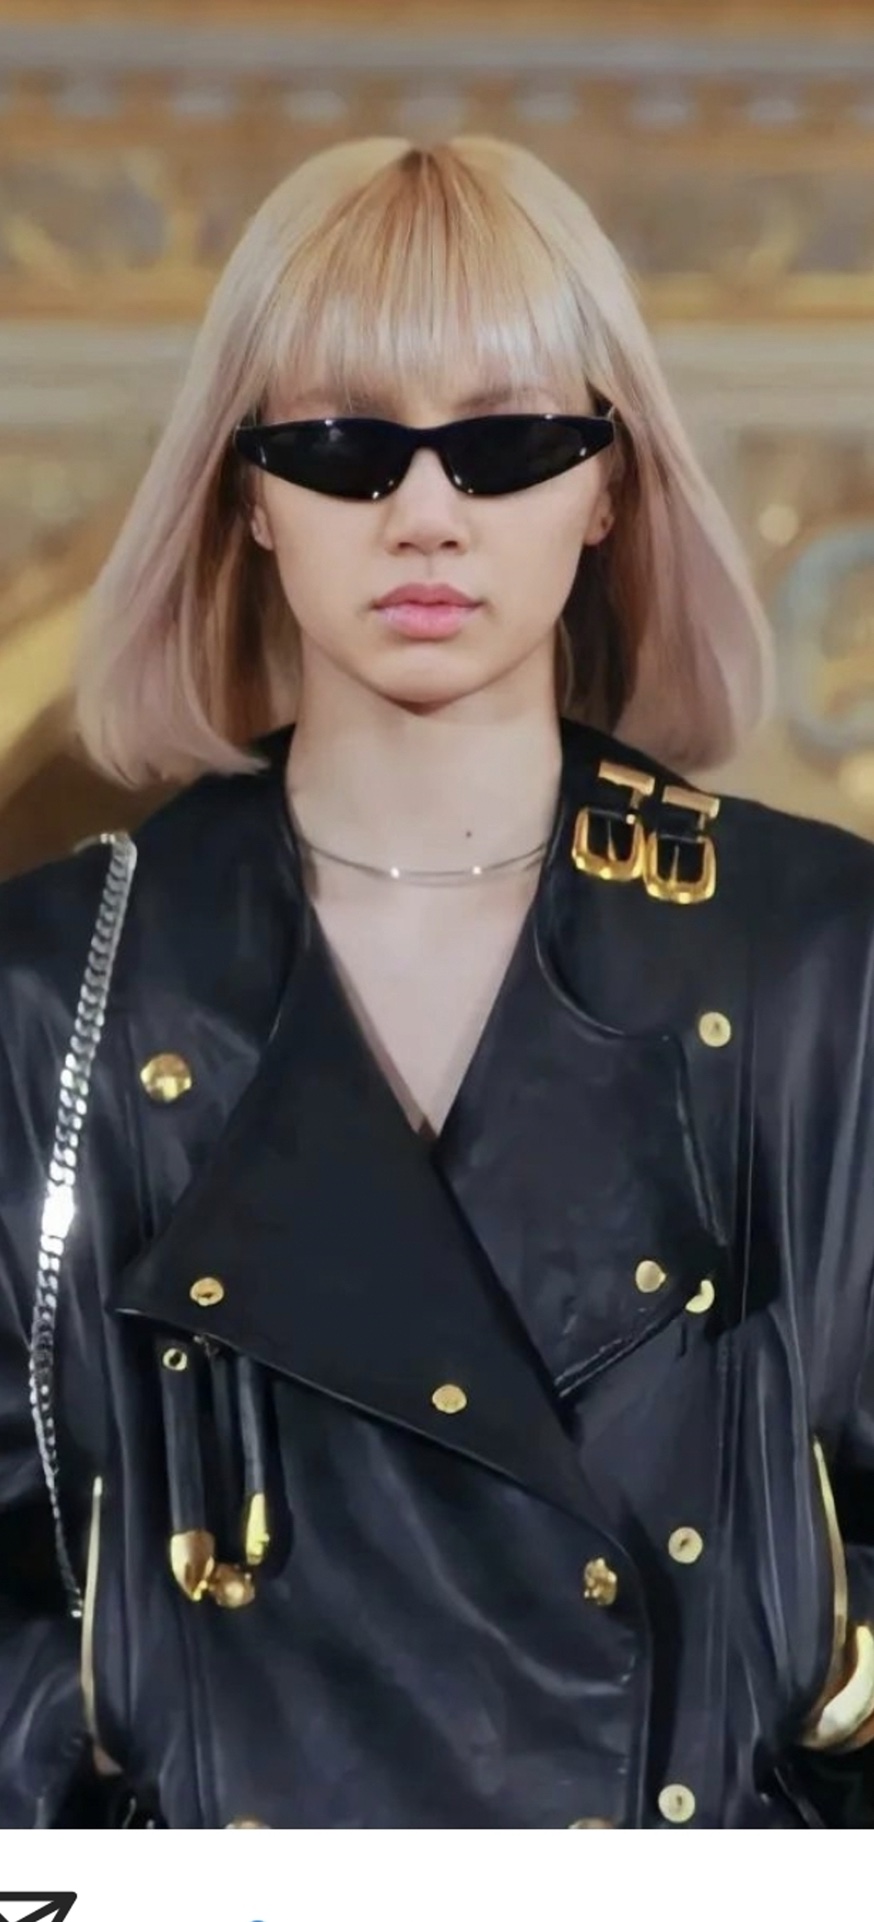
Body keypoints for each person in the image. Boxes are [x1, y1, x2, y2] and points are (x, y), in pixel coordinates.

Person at [1, 133, 874, 1832]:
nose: (423, 513)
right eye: (343, 445)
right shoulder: (54, 989)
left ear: (608, 484)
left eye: (505, 442)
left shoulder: (814, 960)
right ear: (246, 492)